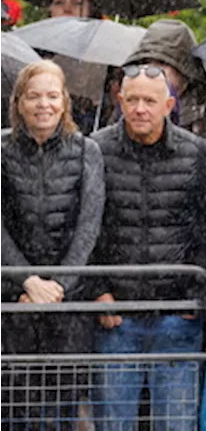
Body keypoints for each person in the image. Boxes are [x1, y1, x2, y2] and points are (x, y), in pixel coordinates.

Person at [89, 63, 206, 430]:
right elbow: (86, 228)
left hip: (176, 316)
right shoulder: (95, 151)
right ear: (119, 101)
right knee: (113, 424)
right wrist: (97, 290)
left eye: (150, 100)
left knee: (176, 423)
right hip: (116, 316)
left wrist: (192, 292)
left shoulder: (197, 154)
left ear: (169, 104)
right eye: (132, 100)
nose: (140, 109)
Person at [0, 60, 105, 428]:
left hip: (68, 301)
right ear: (19, 103)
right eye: (34, 96)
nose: (43, 104)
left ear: (64, 102)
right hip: (14, 300)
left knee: (63, 405)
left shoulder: (86, 150)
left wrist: (58, 287)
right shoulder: (1, 149)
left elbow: (89, 225)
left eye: (51, 95)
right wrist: (27, 281)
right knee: (16, 406)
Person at [126, 19, 206, 188]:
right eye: (145, 63)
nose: (151, 72)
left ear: (184, 70)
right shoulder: (131, 107)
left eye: (161, 64)